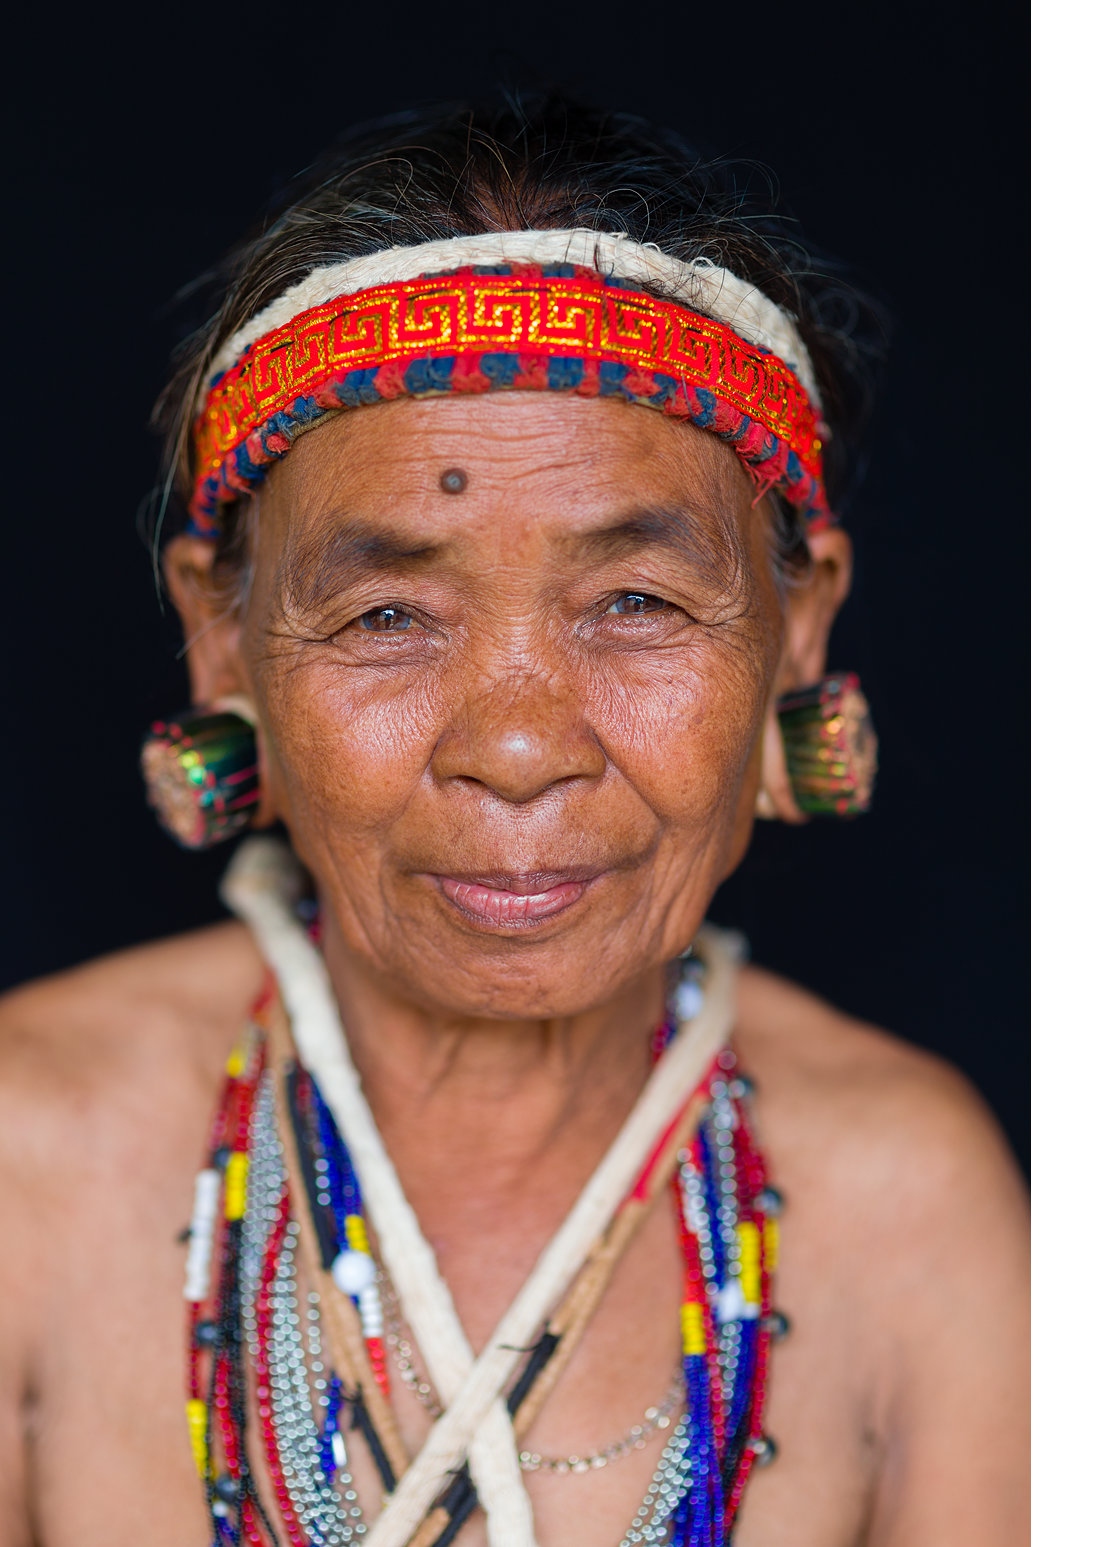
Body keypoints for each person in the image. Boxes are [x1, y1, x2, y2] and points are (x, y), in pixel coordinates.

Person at [0, 96, 1027, 1546]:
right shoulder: (24, 1161)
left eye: (638, 604)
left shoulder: (913, 1206)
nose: (520, 748)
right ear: (221, 642)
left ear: (799, 625)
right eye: (387, 615)